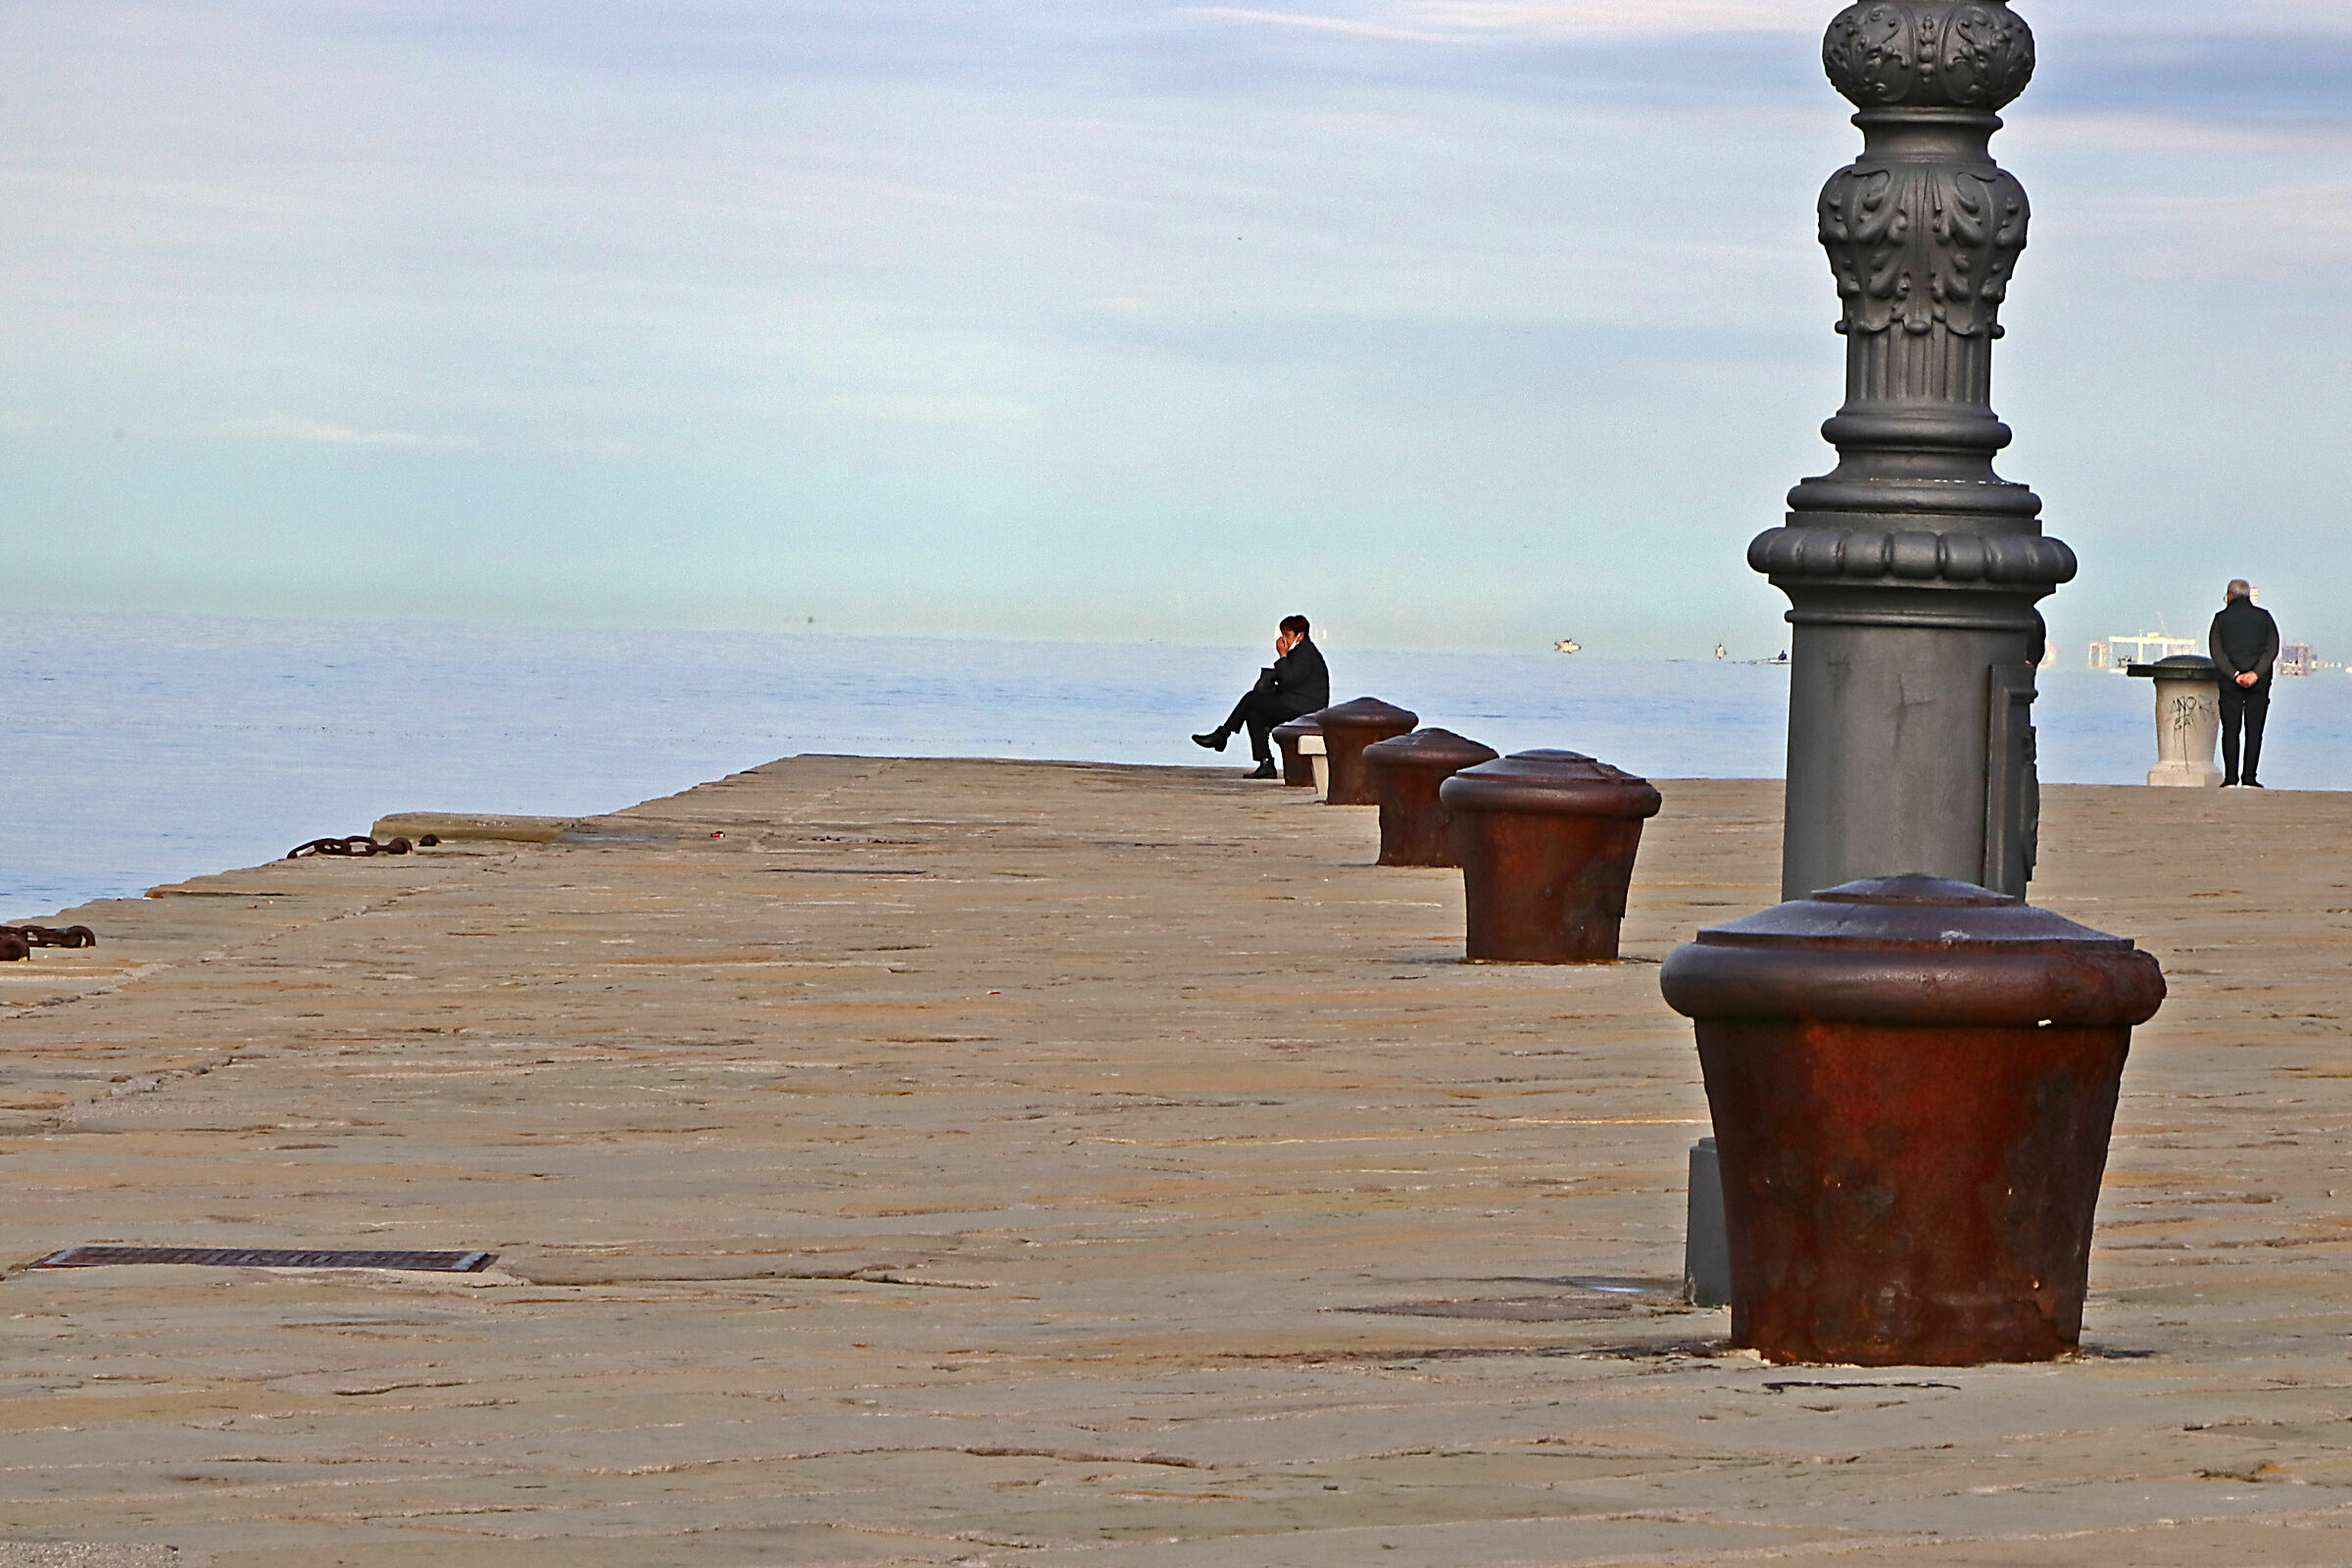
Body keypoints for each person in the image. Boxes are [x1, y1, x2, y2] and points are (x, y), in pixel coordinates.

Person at [1194, 614, 1329, 778]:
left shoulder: (1306, 653)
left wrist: (1282, 656)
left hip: (1305, 707)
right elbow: (1290, 681)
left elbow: (1291, 679)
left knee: (1252, 699)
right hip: (1295, 702)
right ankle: (1265, 763)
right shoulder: (1300, 652)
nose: (1283, 639)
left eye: (1287, 635)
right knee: (1254, 714)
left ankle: (1223, 735)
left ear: (1299, 635)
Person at [2209, 579, 2279, 788]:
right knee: (2254, 730)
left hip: (2230, 682)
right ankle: (2249, 778)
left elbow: (2216, 651)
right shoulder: (2264, 617)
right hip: (2259, 681)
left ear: (2230, 596)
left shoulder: (2220, 619)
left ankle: (2230, 778)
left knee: (2230, 730)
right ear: (2248, 596)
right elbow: (2272, 647)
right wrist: (2256, 673)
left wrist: (2234, 674)